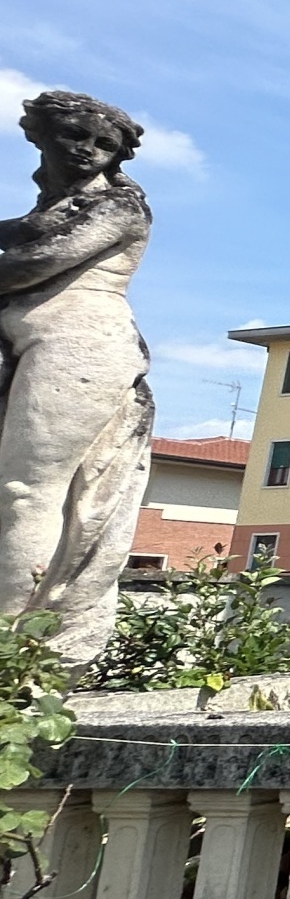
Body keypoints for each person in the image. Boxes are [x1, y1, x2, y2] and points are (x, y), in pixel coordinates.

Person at [0, 90, 154, 666]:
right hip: (24, 341)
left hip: (78, 348)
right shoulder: (42, 214)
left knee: (27, 492)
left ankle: (13, 644)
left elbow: (28, 266)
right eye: (75, 136)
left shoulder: (119, 208)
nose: (88, 150)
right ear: (40, 135)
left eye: (104, 144)